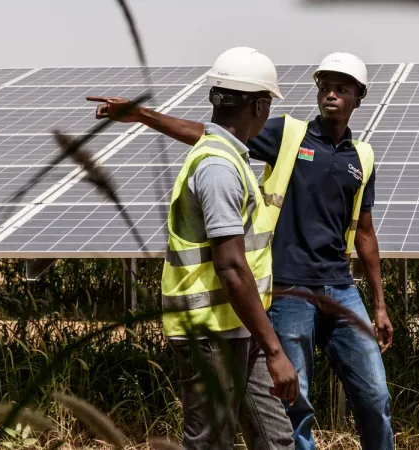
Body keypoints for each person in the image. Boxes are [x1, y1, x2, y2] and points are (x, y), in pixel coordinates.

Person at [88, 52, 394, 450]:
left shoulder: (364, 158)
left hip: (330, 289)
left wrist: (380, 303)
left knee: (371, 398)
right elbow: (206, 132)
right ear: (261, 106)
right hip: (281, 293)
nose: (330, 95)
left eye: (341, 88)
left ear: (359, 97)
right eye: (325, 86)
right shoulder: (284, 136)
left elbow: (365, 232)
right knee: (288, 408)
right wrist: (145, 116)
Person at [92, 47, 298, 450]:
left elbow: (200, 131)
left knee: (276, 439)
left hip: (240, 324)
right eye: (268, 103)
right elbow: (232, 268)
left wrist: (143, 115)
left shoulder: (221, 151)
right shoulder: (219, 168)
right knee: (211, 442)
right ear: (257, 105)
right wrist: (275, 350)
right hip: (211, 331)